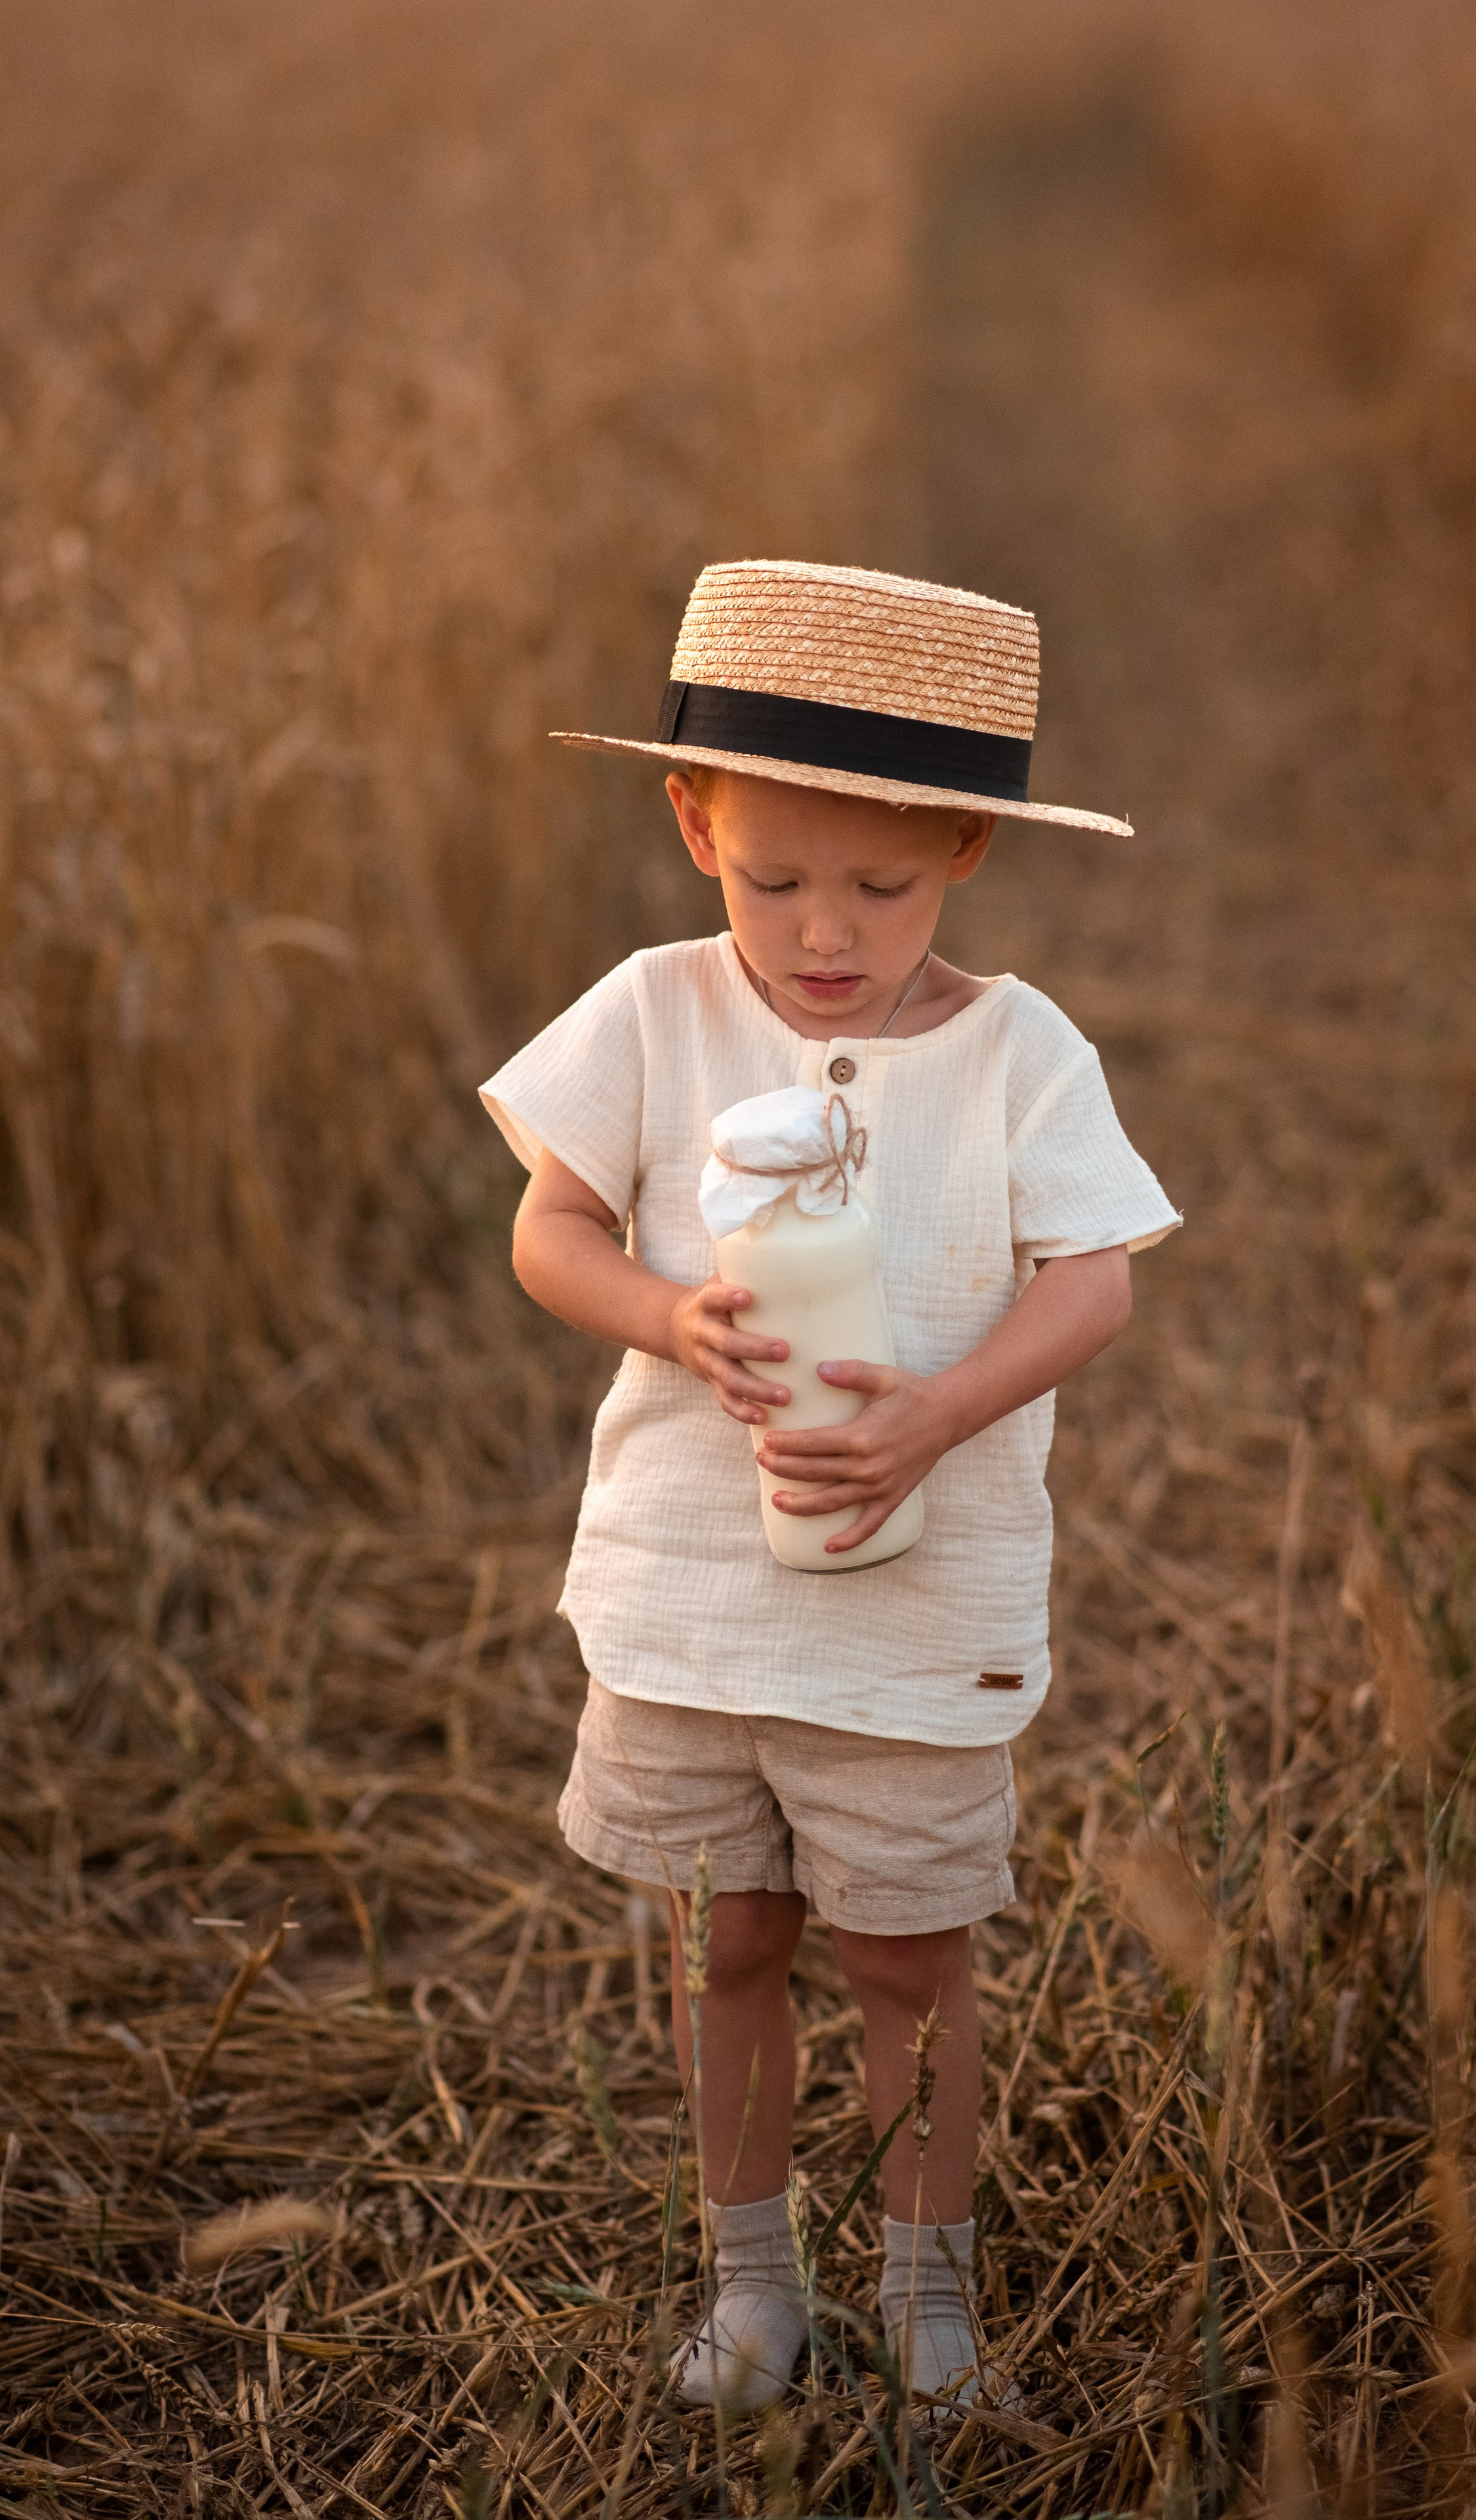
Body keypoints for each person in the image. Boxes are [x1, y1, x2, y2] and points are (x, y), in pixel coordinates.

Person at [480, 559, 1179, 2414]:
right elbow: (549, 1225)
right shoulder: (650, 1010)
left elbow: (1093, 1273)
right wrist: (666, 1311)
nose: (819, 933)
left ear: (964, 846)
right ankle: (754, 2286)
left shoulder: (1017, 1051)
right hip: (700, 1591)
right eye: (771, 876)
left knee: (907, 1953)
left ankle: (930, 2301)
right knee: (734, 1940)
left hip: (911, 1606)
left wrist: (939, 1412)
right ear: (691, 814)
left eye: (877, 884)